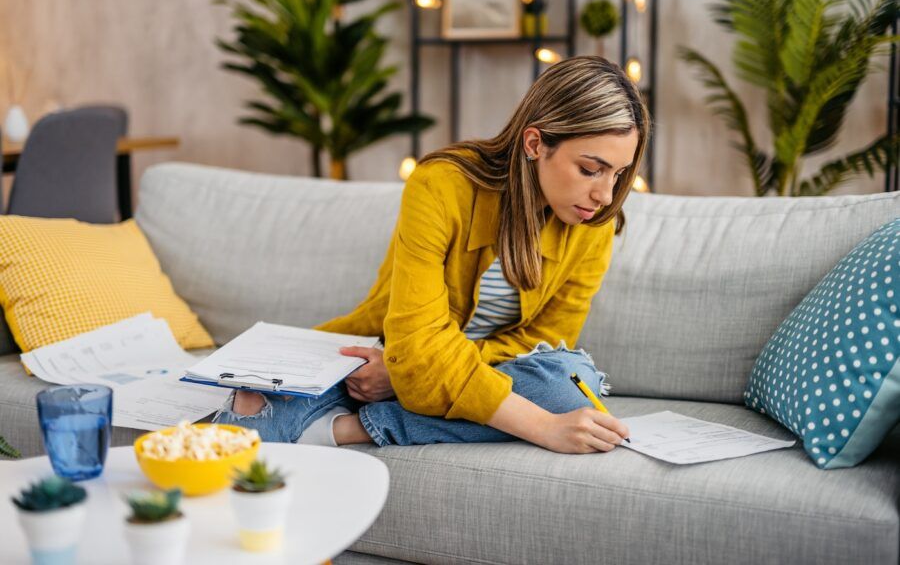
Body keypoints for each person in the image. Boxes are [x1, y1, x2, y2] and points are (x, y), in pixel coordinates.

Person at [213, 55, 650, 454]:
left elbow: (540, 344)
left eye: (619, 174)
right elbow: (415, 339)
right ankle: (308, 417)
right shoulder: (440, 184)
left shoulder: (596, 222)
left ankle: (347, 430)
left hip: (434, 367)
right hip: (380, 354)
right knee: (249, 401)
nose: (605, 193)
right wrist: (543, 427)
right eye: (590, 169)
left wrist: (406, 375)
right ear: (535, 144)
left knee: (571, 381)